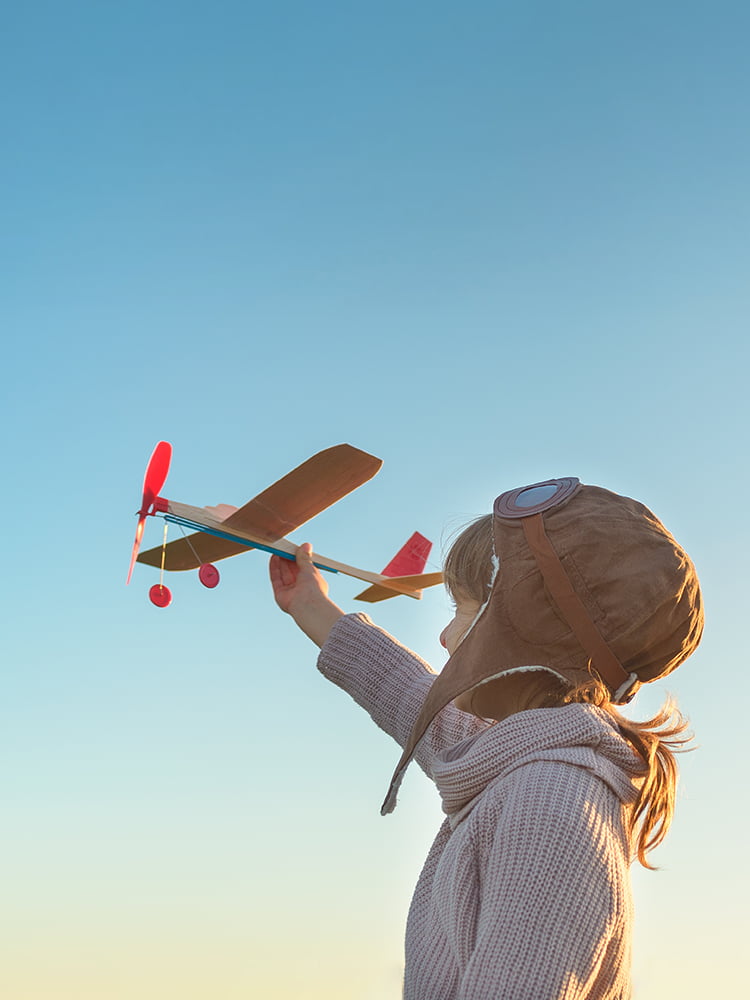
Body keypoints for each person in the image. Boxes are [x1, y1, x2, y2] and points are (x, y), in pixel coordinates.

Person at [268, 477, 703, 1000]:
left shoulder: (550, 807)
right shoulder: (523, 763)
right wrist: (310, 606)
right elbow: (415, 703)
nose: (444, 636)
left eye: (464, 609)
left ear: (527, 628)